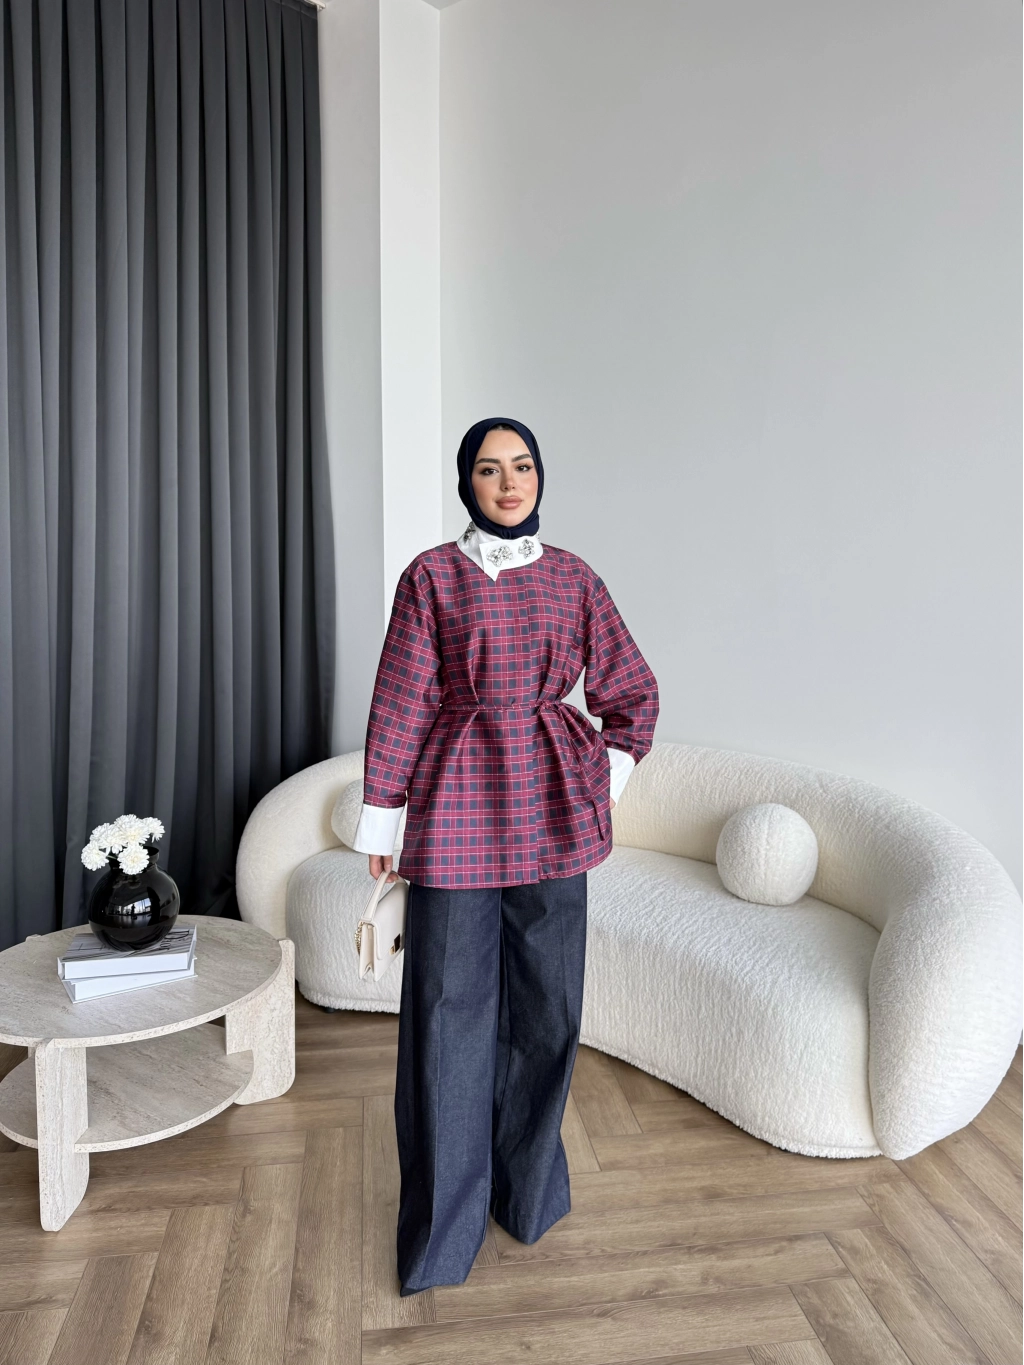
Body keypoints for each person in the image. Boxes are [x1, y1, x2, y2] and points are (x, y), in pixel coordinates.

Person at [352, 417, 659, 1294]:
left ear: (539, 476)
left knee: (549, 1008)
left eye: (522, 465)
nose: (510, 481)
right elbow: (402, 699)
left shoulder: (575, 577)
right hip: (454, 812)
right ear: (467, 483)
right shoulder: (430, 577)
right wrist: (383, 821)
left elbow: (632, 693)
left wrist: (605, 778)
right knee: (447, 1014)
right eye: (490, 469)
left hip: (556, 814)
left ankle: (527, 1193)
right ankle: (443, 1233)